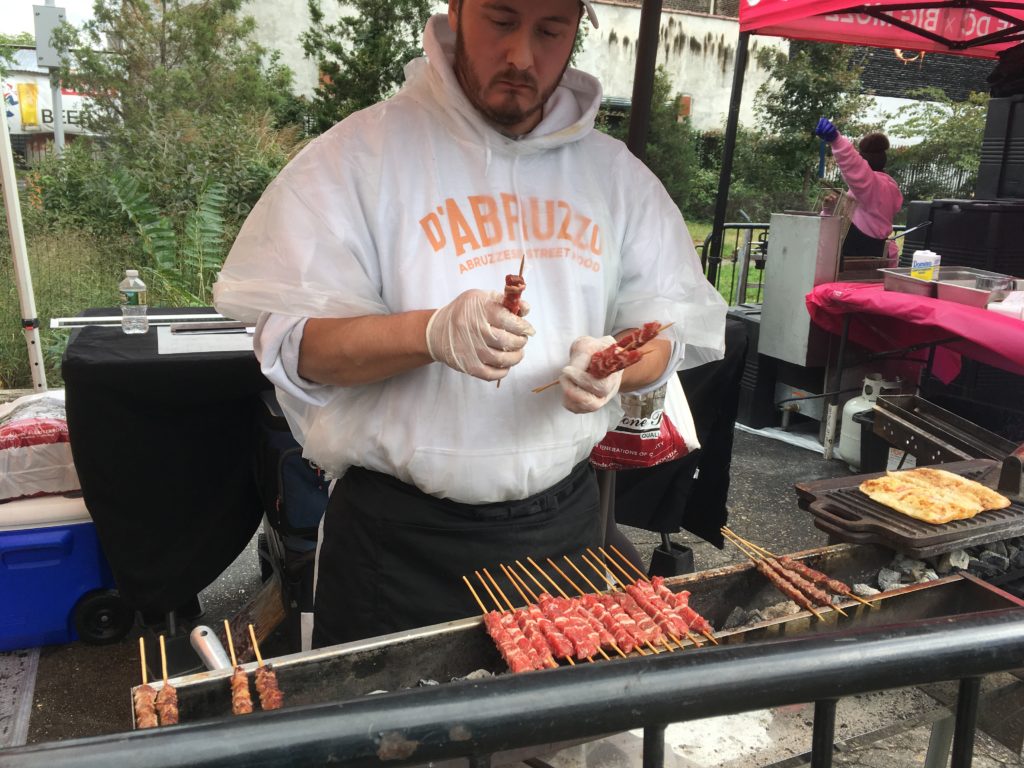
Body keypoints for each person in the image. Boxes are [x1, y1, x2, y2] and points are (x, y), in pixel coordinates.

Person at [214, 0, 727, 647]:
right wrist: (429, 334)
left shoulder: (613, 179)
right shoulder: (359, 158)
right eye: (501, 20)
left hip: (566, 527)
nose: (521, 55)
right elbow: (292, 347)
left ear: (576, 32)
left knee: (554, 745)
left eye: (549, 30)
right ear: (456, 11)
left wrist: (614, 365)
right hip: (399, 545)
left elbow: (661, 332)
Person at [814, 118, 904, 266]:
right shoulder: (886, 188)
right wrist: (828, 211)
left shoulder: (874, 187)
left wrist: (836, 140)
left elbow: (854, 167)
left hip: (857, 264)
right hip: (868, 260)